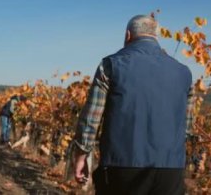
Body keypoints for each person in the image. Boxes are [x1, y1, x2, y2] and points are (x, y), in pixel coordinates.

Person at [73, 15, 192, 194]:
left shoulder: (111, 65)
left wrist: (81, 155)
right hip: (171, 170)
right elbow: (187, 128)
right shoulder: (184, 73)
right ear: (156, 36)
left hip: (121, 166)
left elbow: (92, 118)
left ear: (128, 35)